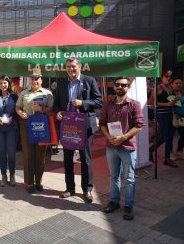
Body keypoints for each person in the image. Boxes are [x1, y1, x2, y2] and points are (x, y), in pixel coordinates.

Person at [53, 58, 102, 203]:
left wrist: (83, 103)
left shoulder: (89, 81)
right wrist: (58, 112)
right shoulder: (62, 83)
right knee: (67, 158)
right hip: (68, 126)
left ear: (80, 67)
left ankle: (87, 189)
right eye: (68, 67)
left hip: (85, 126)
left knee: (85, 159)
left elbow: (99, 101)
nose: (71, 69)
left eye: (73, 66)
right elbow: (56, 104)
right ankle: (70, 188)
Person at [99, 77, 144, 221]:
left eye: (123, 85)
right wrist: (108, 137)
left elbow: (139, 125)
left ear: (128, 88)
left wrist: (123, 138)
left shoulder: (134, 105)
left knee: (129, 178)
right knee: (114, 176)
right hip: (111, 146)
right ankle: (114, 202)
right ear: (114, 87)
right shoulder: (108, 104)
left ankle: (129, 206)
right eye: (117, 85)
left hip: (128, 147)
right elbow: (102, 123)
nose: (120, 87)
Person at [16, 68, 54, 193]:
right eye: (32, 78)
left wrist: (42, 109)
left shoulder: (47, 93)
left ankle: (38, 181)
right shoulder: (24, 93)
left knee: (40, 153)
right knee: (28, 153)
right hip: (26, 124)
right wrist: (20, 113)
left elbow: (52, 110)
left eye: (36, 78)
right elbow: (18, 107)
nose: (34, 81)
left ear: (41, 80)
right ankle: (29, 182)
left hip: (41, 124)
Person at [0, 76, 19, 186]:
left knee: (11, 152)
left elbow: (18, 110)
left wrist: (13, 117)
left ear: (9, 84)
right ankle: (3, 176)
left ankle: (12, 175)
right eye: (1, 83)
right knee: (2, 152)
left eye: (5, 83)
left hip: (12, 128)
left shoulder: (14, 96)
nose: (3, 85)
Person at [148, 69, 177, 167]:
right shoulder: (158, 88)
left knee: (170, 136)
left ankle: (167, 158)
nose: (168, 78)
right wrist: (167, 104)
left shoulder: (171, 88)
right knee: (165, 136)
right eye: (166, 76)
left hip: (170, 114)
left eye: (170, 77)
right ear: (162, 77)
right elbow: (151, 102)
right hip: (161, 114)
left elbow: (173, 100)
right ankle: (150, 150)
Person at [171, 76, 184, 160]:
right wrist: (176, 98)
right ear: (172, 84)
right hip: (175, 118)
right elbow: (174, 104)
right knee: (170, 137)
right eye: (176, 83)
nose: (179, 84)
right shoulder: (170, 93)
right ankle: (170, 154)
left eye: (180, 83)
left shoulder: (181, 93)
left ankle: (179, 151)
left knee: (183, 135)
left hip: (182, 118)